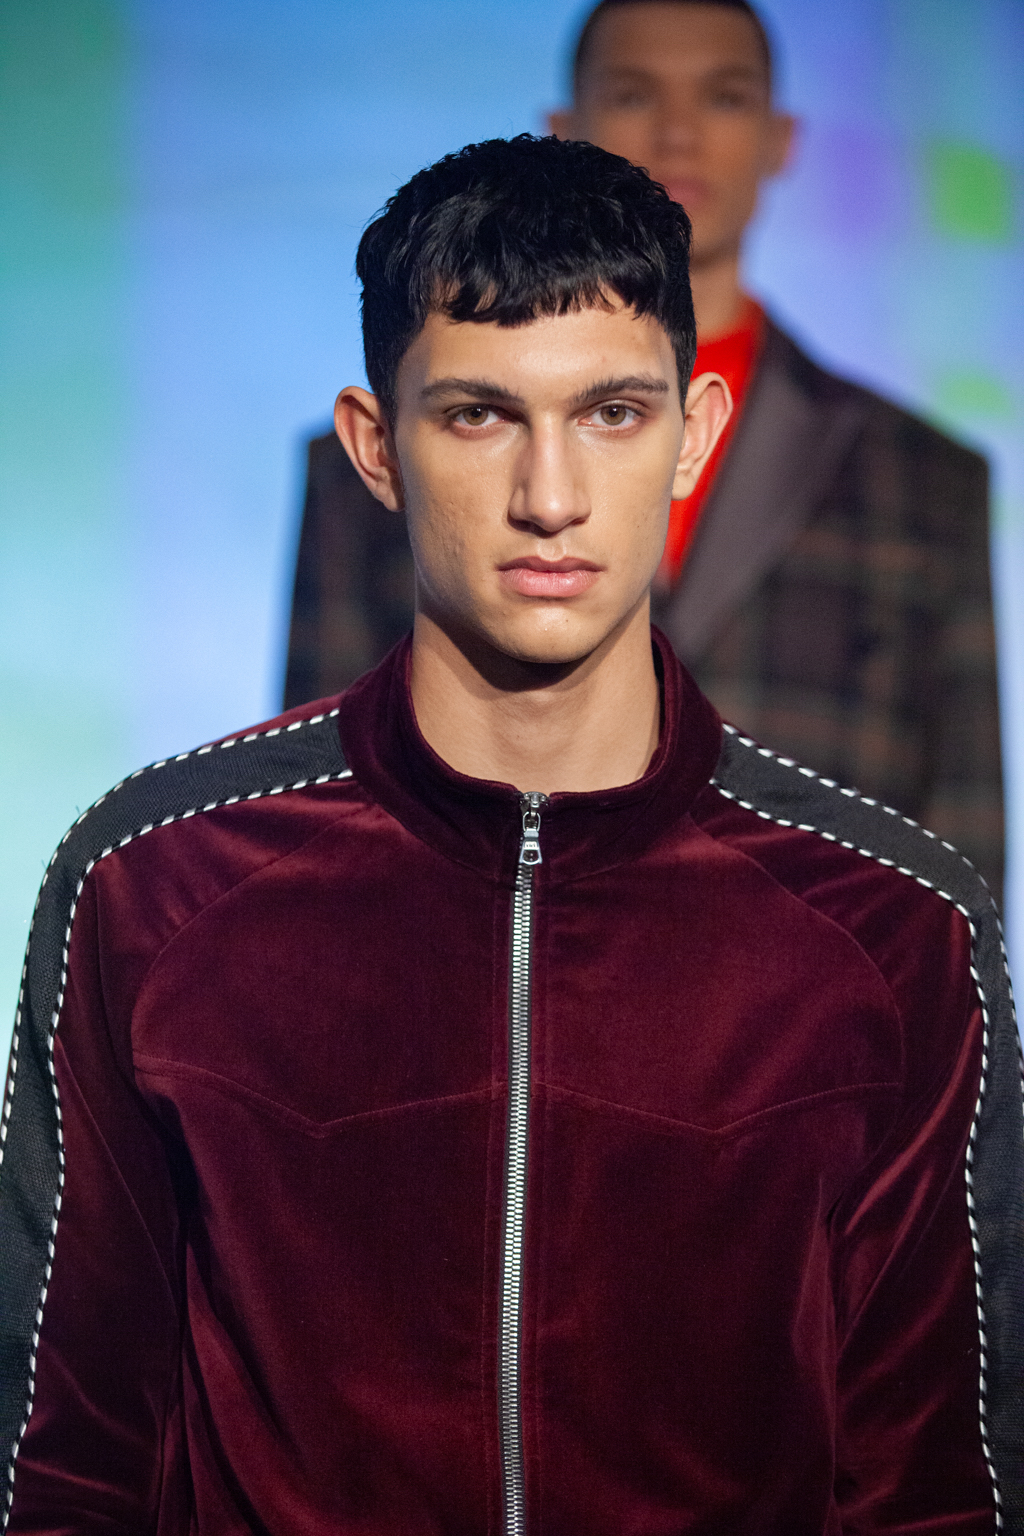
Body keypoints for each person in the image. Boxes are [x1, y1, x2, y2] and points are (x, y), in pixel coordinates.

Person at [1, 134, 1020, 1533]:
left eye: (611, 413)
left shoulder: (893, 928)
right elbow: (64, 1458)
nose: (551, 497)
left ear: (693, 434)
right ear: (376, 448)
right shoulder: (155, 888)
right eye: (480, 415)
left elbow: (937, 1487)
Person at [283, 0, 1004, 902]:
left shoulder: (924, 480)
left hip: (812, 958)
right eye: (633, 94)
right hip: (445, 944)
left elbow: (965, 845)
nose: (679, 133)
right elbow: (311, 807)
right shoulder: (362, 467)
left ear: (781, 139)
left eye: (724, 97)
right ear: (564, 129)